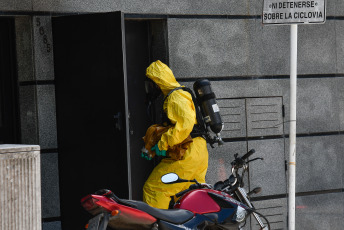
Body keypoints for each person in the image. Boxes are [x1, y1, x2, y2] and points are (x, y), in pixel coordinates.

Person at [142, 60, 209, 209]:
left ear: (158, 81)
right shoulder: (177, 94)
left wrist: (162, 144)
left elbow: (185, 125)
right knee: (188, 198)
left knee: (154, 189)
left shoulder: (176, 97)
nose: (150, 88)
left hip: (188, 152)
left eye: (151, 84)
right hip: (197, 151)